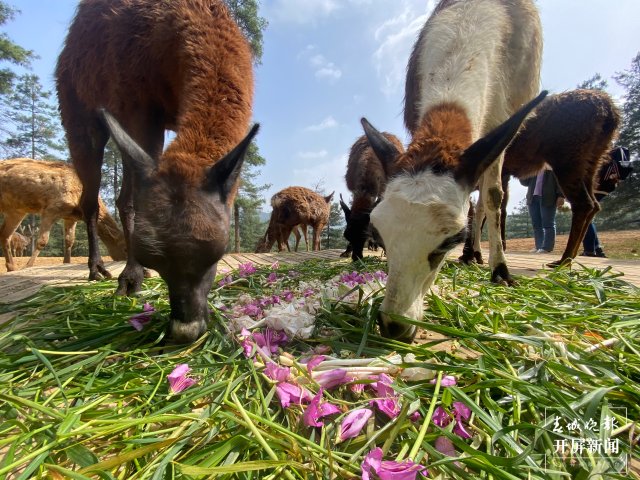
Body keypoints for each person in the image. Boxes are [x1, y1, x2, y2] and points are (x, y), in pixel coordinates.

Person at [581, 146, 632, 257]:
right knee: (587, 217)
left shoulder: (601, 150)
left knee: (584, 217)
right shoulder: (612, 151)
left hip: (597, 187)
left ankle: (590, 250)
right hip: (606, 187)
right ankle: (596, 248)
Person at [521, 166, 565, 253]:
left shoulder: (553, 162)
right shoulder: (536, 164)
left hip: (548, 197)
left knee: (548, 223)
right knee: (536, 224)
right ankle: (539, 247)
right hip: (533, 198)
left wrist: (561, 195)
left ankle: (547, 248)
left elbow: (562, 179)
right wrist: (521, 172)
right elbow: (525, 182)